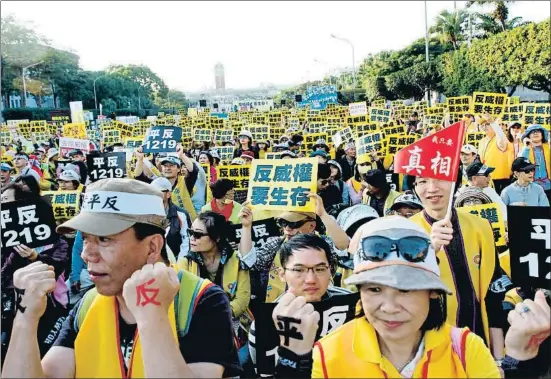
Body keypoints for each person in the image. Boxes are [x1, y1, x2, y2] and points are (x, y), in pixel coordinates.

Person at [2, 178, 241, 378]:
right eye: (85, 238)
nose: (87, 254)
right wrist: (25, 319)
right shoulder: (88, 303)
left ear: (152, 247)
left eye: (104, 239)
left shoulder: (201, 301)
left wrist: (153, 317)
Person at [274, 217, 501, 378]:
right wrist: (292, 359)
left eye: (405, 290)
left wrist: (521, 362)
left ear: (432, 292)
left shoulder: (464, 349)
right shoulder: (329, 352)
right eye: (374, 290)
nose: (389, 307)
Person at [410, 176, 513, 361]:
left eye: (440, 179)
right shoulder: (406, 232)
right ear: (414, 187)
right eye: (422, 181)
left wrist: (498, 360)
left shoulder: (481, 226)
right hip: (429, 353)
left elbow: (493, 297)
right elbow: (404, 296)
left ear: (455, 183)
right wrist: (429, 252)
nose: (432, 188)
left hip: (479, 343)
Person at [248, 234, 352, 377]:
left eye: (320, 269)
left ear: (331, 270)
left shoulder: (352, 305)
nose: (310, 279)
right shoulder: (264, 324)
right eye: (299, 270)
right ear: (282, 274)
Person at [1, 182, 69, 362]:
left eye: (6, 200)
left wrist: (35, 256)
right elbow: (3, 274)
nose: (2, 204)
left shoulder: (52, 237)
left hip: (49, 307)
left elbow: (59, 265)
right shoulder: (4, 241)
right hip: (10, 307)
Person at [239, 193, 349, 303]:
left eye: (293, 224)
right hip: (283, 307)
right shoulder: (277, 243)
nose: (287, 229)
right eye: (283, 222)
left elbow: (343, 246)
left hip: (322, 304)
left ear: (311, 226)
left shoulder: (323, 243)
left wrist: (323, 214)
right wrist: (246, 226)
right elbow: (250, 262)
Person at [177, 211, 251, 319]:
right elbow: (181, 299)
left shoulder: (237, 260)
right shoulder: (185, 263)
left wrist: (221, 315)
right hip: (196, 321)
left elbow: (242, 299)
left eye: (197, 234)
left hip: (231, 320)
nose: (191, 238)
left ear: (216, 237)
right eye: (190, 232)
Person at [151, 177, 192, 262]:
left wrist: (180, 264)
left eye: (158, 192)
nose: (154, 195)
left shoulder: (181, 214)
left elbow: (186, 242)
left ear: (168, 194)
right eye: (152, 191)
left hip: (176, 262)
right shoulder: (146, 214)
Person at [478, 117, 512, 194]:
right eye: (482, 125)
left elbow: (501, 136)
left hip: (500, 179)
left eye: (487, 124)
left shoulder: (499, 139)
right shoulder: (482, 141)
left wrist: (493, 123)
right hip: (487, 179)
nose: (484, 127)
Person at [519, 124, 550, 201]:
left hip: (548, 186)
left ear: (542, 135)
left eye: (538, 131)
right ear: (528, 136)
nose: (535, 133)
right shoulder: (524, 149)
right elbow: (521, 164)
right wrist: (526, 147)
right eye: (532, 132)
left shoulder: (548, 147)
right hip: (531, 186)